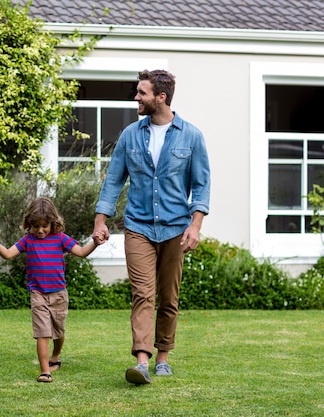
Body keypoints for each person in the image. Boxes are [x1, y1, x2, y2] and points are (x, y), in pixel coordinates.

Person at [92, 69, 211, 385]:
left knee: (169, 297)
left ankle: (163, 357)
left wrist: (195, 225)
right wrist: (101, 220)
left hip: (175, 228)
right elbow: (114, 179)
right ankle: (141, 362)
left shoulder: (191, 136)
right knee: (143, 293)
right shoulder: (131, 135)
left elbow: (201, 185)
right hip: (138, 227)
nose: (136, 97)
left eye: (141, 92)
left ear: (161, 97)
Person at [0, 196, 102, 383]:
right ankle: (45, 371)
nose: (40, 231)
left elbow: (82, 252)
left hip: (58, 293)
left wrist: (95, 243)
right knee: (43, 332)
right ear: (29, 225)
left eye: (44, 226)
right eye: (36, 227)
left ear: (53, 222)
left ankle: (55, 356)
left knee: (58, 332)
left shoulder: (60, 239)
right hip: (38, 294)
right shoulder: (28, 240)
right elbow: (8, 254)